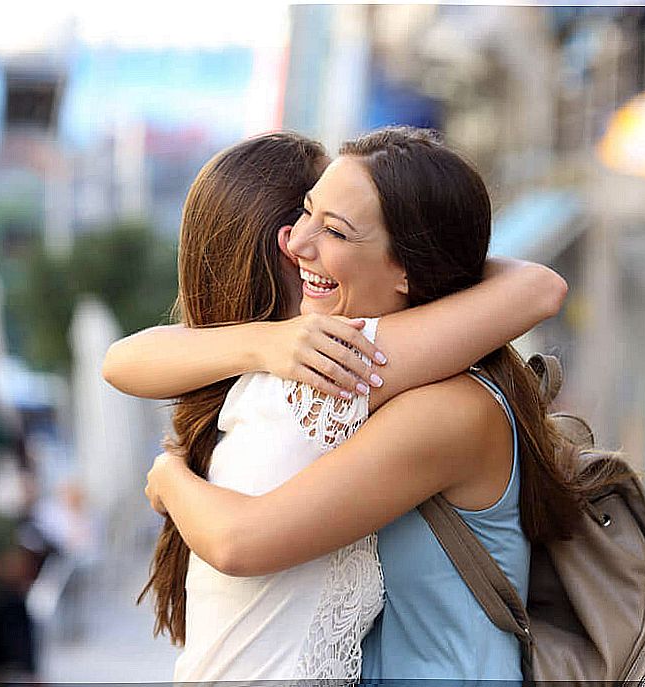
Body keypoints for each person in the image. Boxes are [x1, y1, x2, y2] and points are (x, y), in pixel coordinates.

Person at [105, 129, 568, 681]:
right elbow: (122, 360)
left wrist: (167, 476)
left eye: (335, 230)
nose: (297, 243)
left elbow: (539, 288)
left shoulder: (386, 385)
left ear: (409, 268)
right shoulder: (313, 371)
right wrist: (265, 341)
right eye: (305, 213)